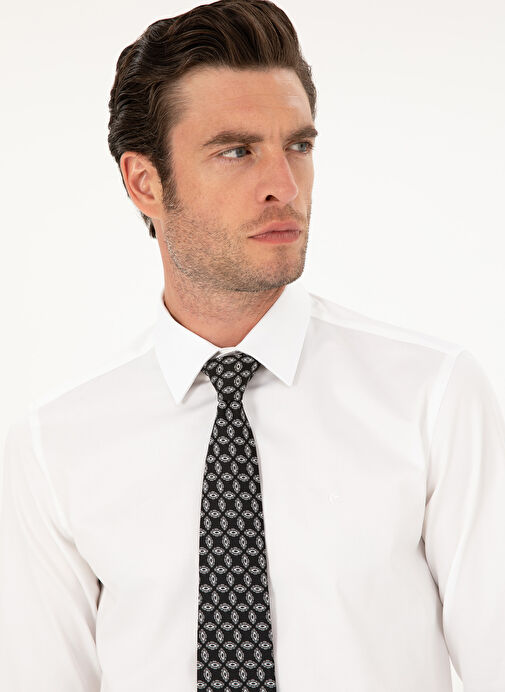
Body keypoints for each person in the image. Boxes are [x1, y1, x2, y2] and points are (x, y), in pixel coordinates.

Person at [1, 0, 504, 689]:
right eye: (236, 151)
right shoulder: (54, 444)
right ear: (145, 182)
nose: (283, 186)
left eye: (298, 146)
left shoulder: (432, 396)